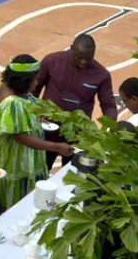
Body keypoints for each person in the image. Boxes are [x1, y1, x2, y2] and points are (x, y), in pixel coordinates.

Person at [0, 55, 74, 214]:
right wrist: (56, 147)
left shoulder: (19, 92)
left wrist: (37, 117)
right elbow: (21, 136)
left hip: (27, 155)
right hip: (15, 158)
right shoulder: (12, 103)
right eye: (34, 79)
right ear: (23, 80)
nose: (36, 83)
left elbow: (27, 109)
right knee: (13, 196)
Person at [35, 34, 118, 168]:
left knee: (73, 172)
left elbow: (108, 105)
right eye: (79, 57)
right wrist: (36, 115)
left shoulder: (102, 74)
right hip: (48, 129)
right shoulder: (51, 61)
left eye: (88, 58)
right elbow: (34, 88)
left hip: (78, 134)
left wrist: (108, 128)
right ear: (71, 48)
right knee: (40, 170)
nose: (83, 62)